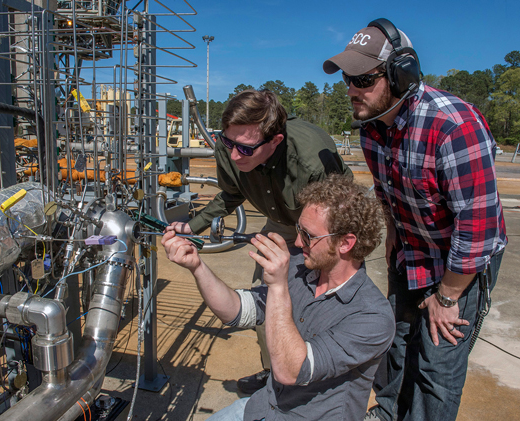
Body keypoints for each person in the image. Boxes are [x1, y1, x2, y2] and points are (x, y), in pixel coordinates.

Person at [322, 18, 507, 421]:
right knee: (397, 340)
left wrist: (448, 297)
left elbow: (478, 227)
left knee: (436, 365)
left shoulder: (452, 125)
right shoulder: (372, 128)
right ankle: (389, 413)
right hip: (412, 247)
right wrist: (392, 229)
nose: (352, 89)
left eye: (363, 79)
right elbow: (386, 186)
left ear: (400, 75)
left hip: (461, 260)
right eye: (348, 80)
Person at [162, 174, 395, 421]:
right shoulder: (301, 269)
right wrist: (197, 266)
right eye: (298, 230)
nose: (297, 242)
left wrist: (277, 286)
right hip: (264, 406)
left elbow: (292, 370)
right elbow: (236, 311)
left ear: (346, 244)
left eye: (308, 236)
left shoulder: (373, 317)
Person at [167, 89, 351, 393]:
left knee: (325, 302)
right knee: (267, 300)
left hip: (328, 225)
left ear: (275, 141)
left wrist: (315, 261)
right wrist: (192, 226)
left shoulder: (311, 160)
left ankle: (324, 383)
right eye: (229, 143)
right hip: (281, 222)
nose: (234, 154)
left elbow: (337, 218)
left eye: (246, 149)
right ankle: (275, 373)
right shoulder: (231, 145)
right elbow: (231, 194)